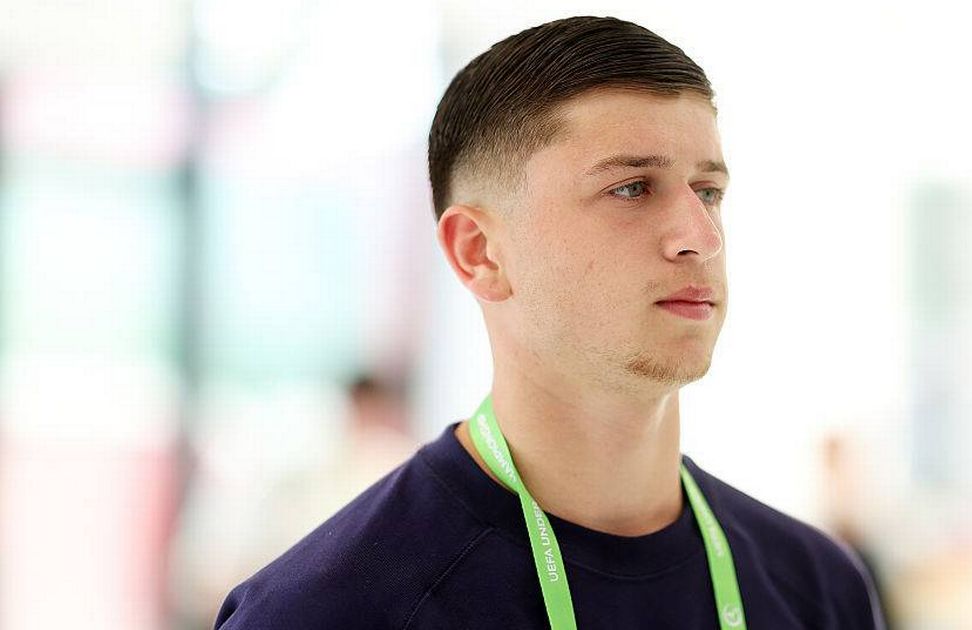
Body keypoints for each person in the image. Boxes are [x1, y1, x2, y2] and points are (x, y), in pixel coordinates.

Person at [214, 15, 884, 629]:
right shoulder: (324, 612)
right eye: (631, 188)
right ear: (480, 253)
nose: (700, 237)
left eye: (708, 191)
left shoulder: (820, 588)